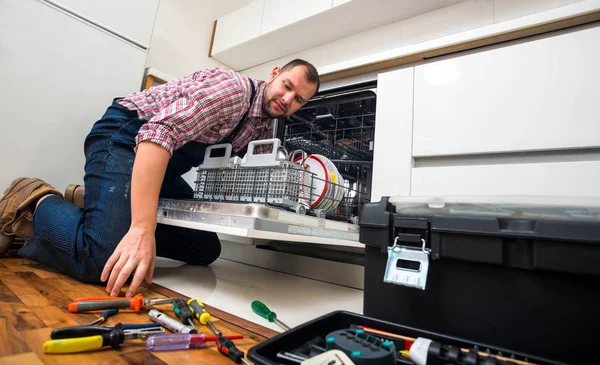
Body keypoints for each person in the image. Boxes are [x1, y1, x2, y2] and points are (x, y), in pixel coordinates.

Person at [0, 59, 319, 297]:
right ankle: (35, 200)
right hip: (126, 137)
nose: (288, 100)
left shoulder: (262, 127)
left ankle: (105, 207)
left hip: (161, 165)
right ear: (274, 74)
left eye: (299, 99)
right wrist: (142, 228)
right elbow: (157, 135)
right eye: (287, 87)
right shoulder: (232, 92)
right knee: (100, 260)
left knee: (204, 249)